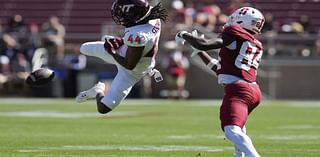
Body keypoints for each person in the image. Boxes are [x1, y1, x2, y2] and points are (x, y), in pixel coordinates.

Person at [176, 7, 265, 157]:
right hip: (252, 90)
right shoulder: (253, 43)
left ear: (243, 20)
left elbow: (203, 43)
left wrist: (184, 34)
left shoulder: (235, 35)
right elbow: (219, 68)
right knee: (239, 129)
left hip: (239, 90)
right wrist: (200, 52)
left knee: (231, 130)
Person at [75, 0, 167, 114]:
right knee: (83, 48)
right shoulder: (150, 16)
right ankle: (113, 41)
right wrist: (122, 41)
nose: (120, 17)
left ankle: (98, 90)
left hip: (132, 70)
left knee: (103, 108)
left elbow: (129, 65)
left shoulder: (138, 36)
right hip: (127, 50)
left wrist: (112, 52)